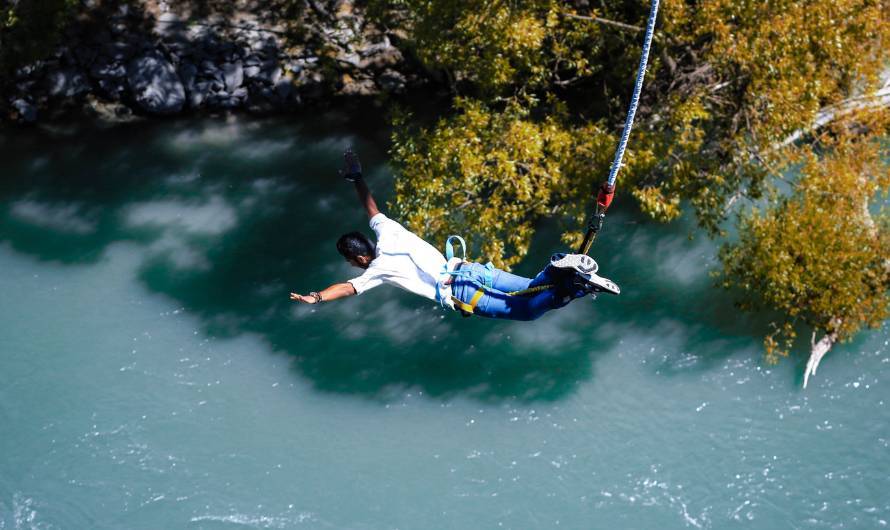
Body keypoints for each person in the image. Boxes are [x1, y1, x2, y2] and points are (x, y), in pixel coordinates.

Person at [289, 149, 619, 321]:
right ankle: (564, 271)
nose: (352, 266)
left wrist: (316, 297)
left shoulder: (377, 271)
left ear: (359, 257)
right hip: (467, 269)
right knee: (534, 289)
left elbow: (346, 289)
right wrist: (356, 177)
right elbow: (371, 207)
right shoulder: (387, 231)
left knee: (528, 310)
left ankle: (571, 278)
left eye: (350, 261)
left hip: (462, 291)